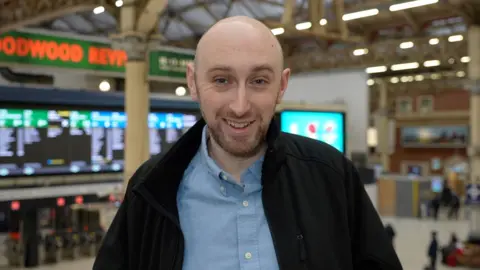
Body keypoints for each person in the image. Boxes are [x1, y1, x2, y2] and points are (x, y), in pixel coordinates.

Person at [93, 16, 402, 270]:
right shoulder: (151, 190)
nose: (240, 106)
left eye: (258, 81)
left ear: (281, 85)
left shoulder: (331, 177)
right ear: (192, 82)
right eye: (221, 80)